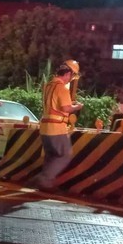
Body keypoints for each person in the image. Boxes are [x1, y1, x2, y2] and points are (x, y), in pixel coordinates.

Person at [32, 60, 83, 191]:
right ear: (68, 74)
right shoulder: (61, 88)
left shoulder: (48, 86)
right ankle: (44, 179)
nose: (70, 80)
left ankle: (45, 183)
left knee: (51, 156)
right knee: (65, 154)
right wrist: (77, 106)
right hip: (56, 128)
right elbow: (66, 108)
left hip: (45, 128)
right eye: (72, 77)